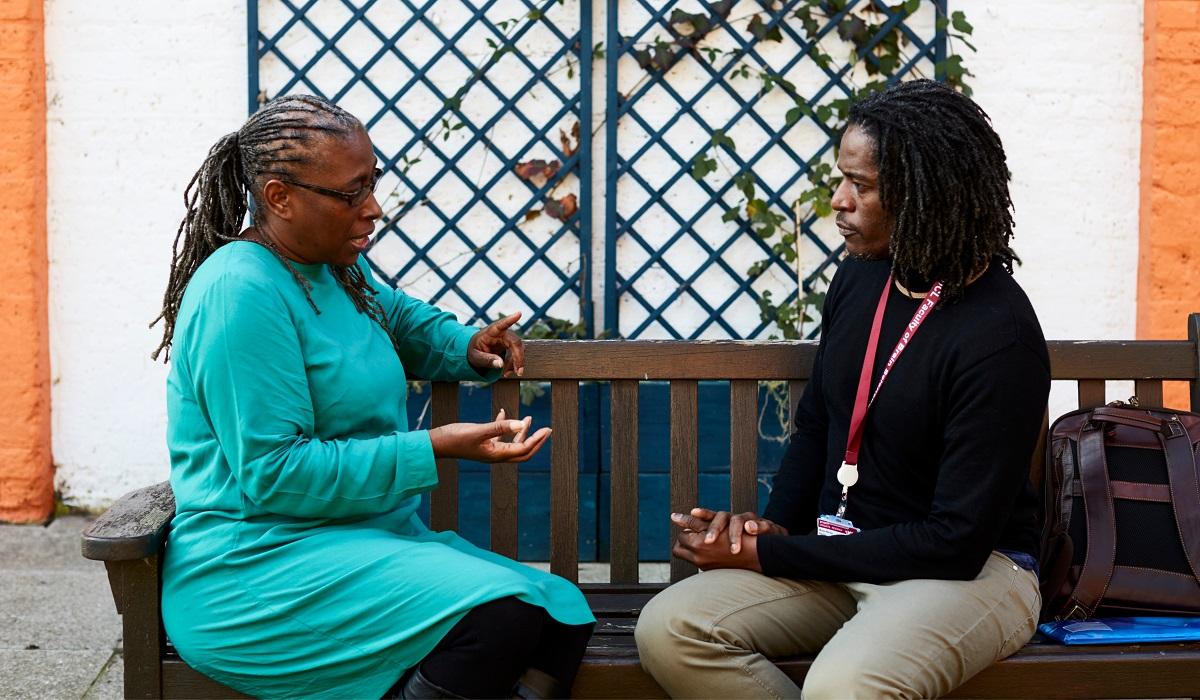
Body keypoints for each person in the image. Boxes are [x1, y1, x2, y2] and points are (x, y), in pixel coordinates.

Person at [153, 94, 594, 700]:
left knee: (560, 615)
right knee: (499, 619)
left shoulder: (330, 268)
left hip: (354, 542)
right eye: (351, 193)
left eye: (372, 183)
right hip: (258, 568)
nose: (373, 208)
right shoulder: (240, 290)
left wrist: (467, 346)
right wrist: (435, 446)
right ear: (279, 197)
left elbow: (394, 318)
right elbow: (274, 472)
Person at [634, 79, 1050, 698]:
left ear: (925, 193)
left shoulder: (1000, 336)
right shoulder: (862, 278)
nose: (839, 200)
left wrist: (773, 558)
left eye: (862, 185)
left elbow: (955, 543)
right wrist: (773, 530)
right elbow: (819, 423)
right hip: (843, 555)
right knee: (671, 628)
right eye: (841, 178)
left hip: (968, 574)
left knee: (844, 687)